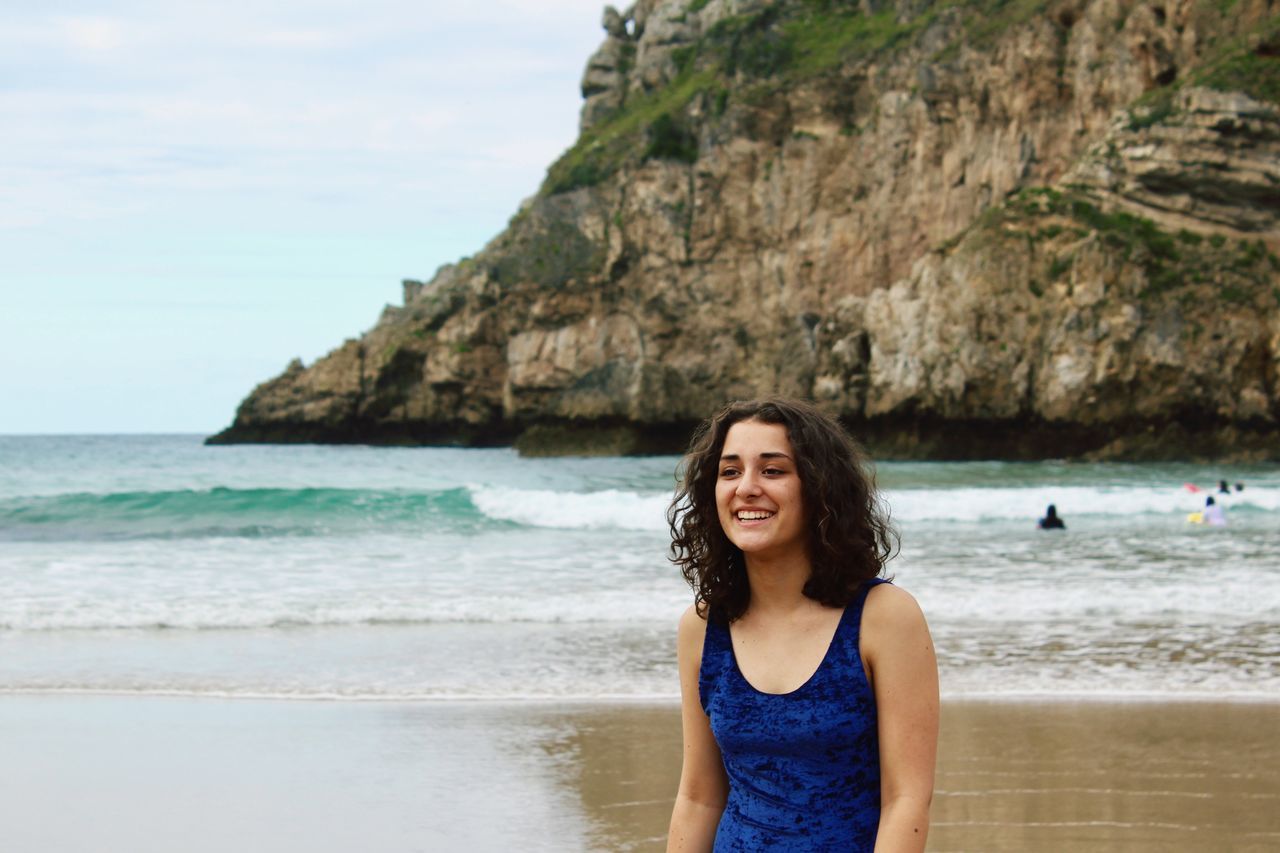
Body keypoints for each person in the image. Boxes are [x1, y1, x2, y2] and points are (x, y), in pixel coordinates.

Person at [666, 398, 938, 852]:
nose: (746, 488)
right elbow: (699, 798)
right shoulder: (702, 627)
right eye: (730, 472)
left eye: (772, 471)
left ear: (819, 487)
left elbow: (906, 800)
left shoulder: (883, 617)